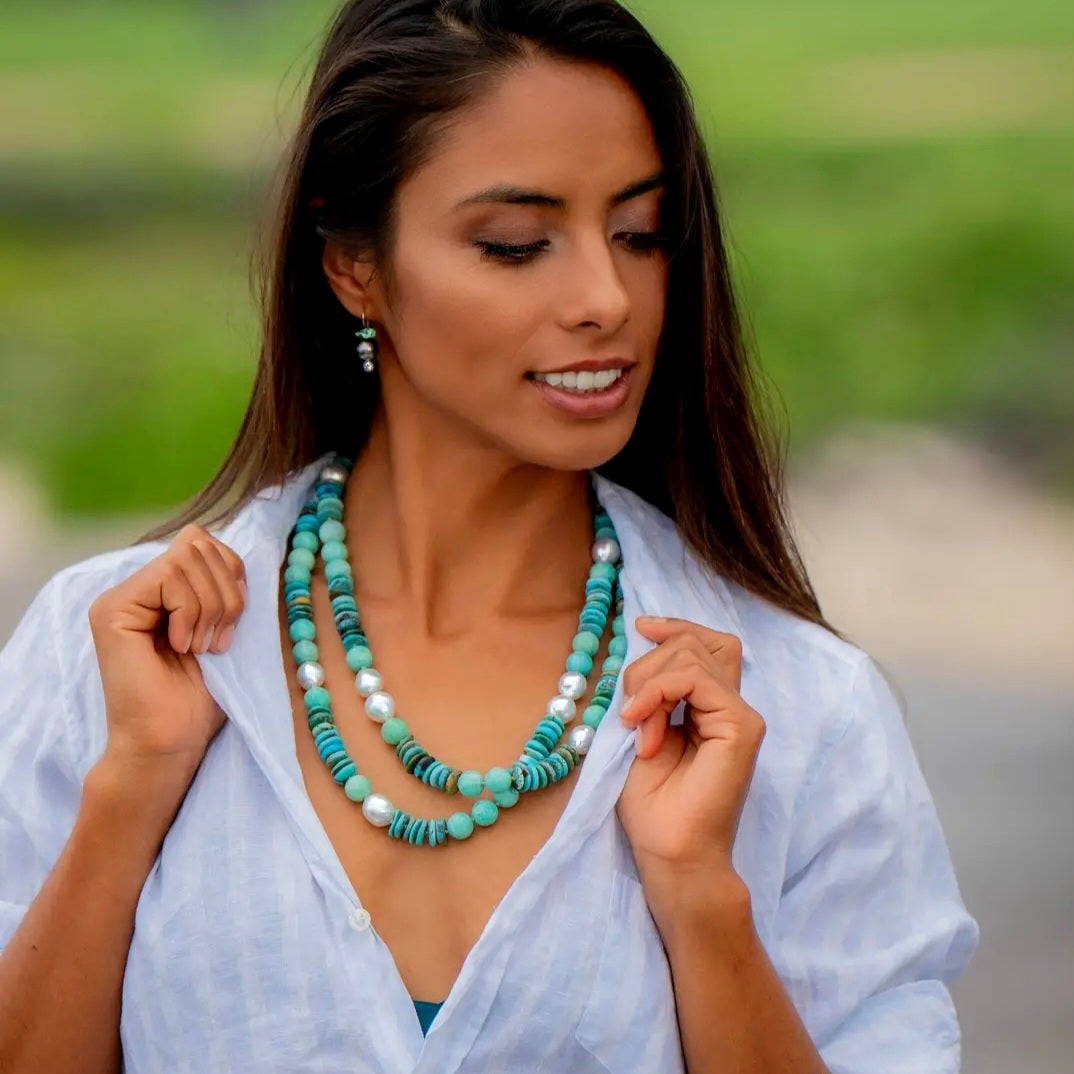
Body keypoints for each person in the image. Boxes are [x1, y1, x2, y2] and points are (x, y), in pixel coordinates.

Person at [0, 1, 979, 1071]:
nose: (607, 298)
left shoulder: (797, 708)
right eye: (516, 245)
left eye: (641, 234)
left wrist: (702, 899)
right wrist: (134, 782)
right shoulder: (111, 655)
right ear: (355, 265)